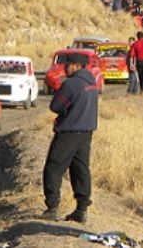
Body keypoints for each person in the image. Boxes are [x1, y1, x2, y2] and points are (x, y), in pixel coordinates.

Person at [41, 53, 99, 223]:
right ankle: (81, 209)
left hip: (68, 132)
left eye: (67, 65)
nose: (65, 68)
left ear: (76, 66)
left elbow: (55, 106)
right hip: (86, 132)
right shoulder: (92, 83)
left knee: (53, 168)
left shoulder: (72, 84)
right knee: (80, 169)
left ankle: (52, 207)